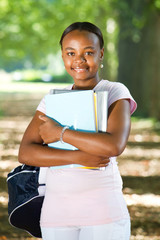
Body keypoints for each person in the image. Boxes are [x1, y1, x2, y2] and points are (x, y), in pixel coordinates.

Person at [18, 22, 137, 240]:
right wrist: (79, 156)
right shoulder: (52, 99)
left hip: (103, 213)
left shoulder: (114, 91)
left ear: (101, 54)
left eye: (88, 52)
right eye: (70, 53)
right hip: (56, 214)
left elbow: (113, 145)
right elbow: (26, 152)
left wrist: (61, 133)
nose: (79, 60)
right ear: (63, 56)